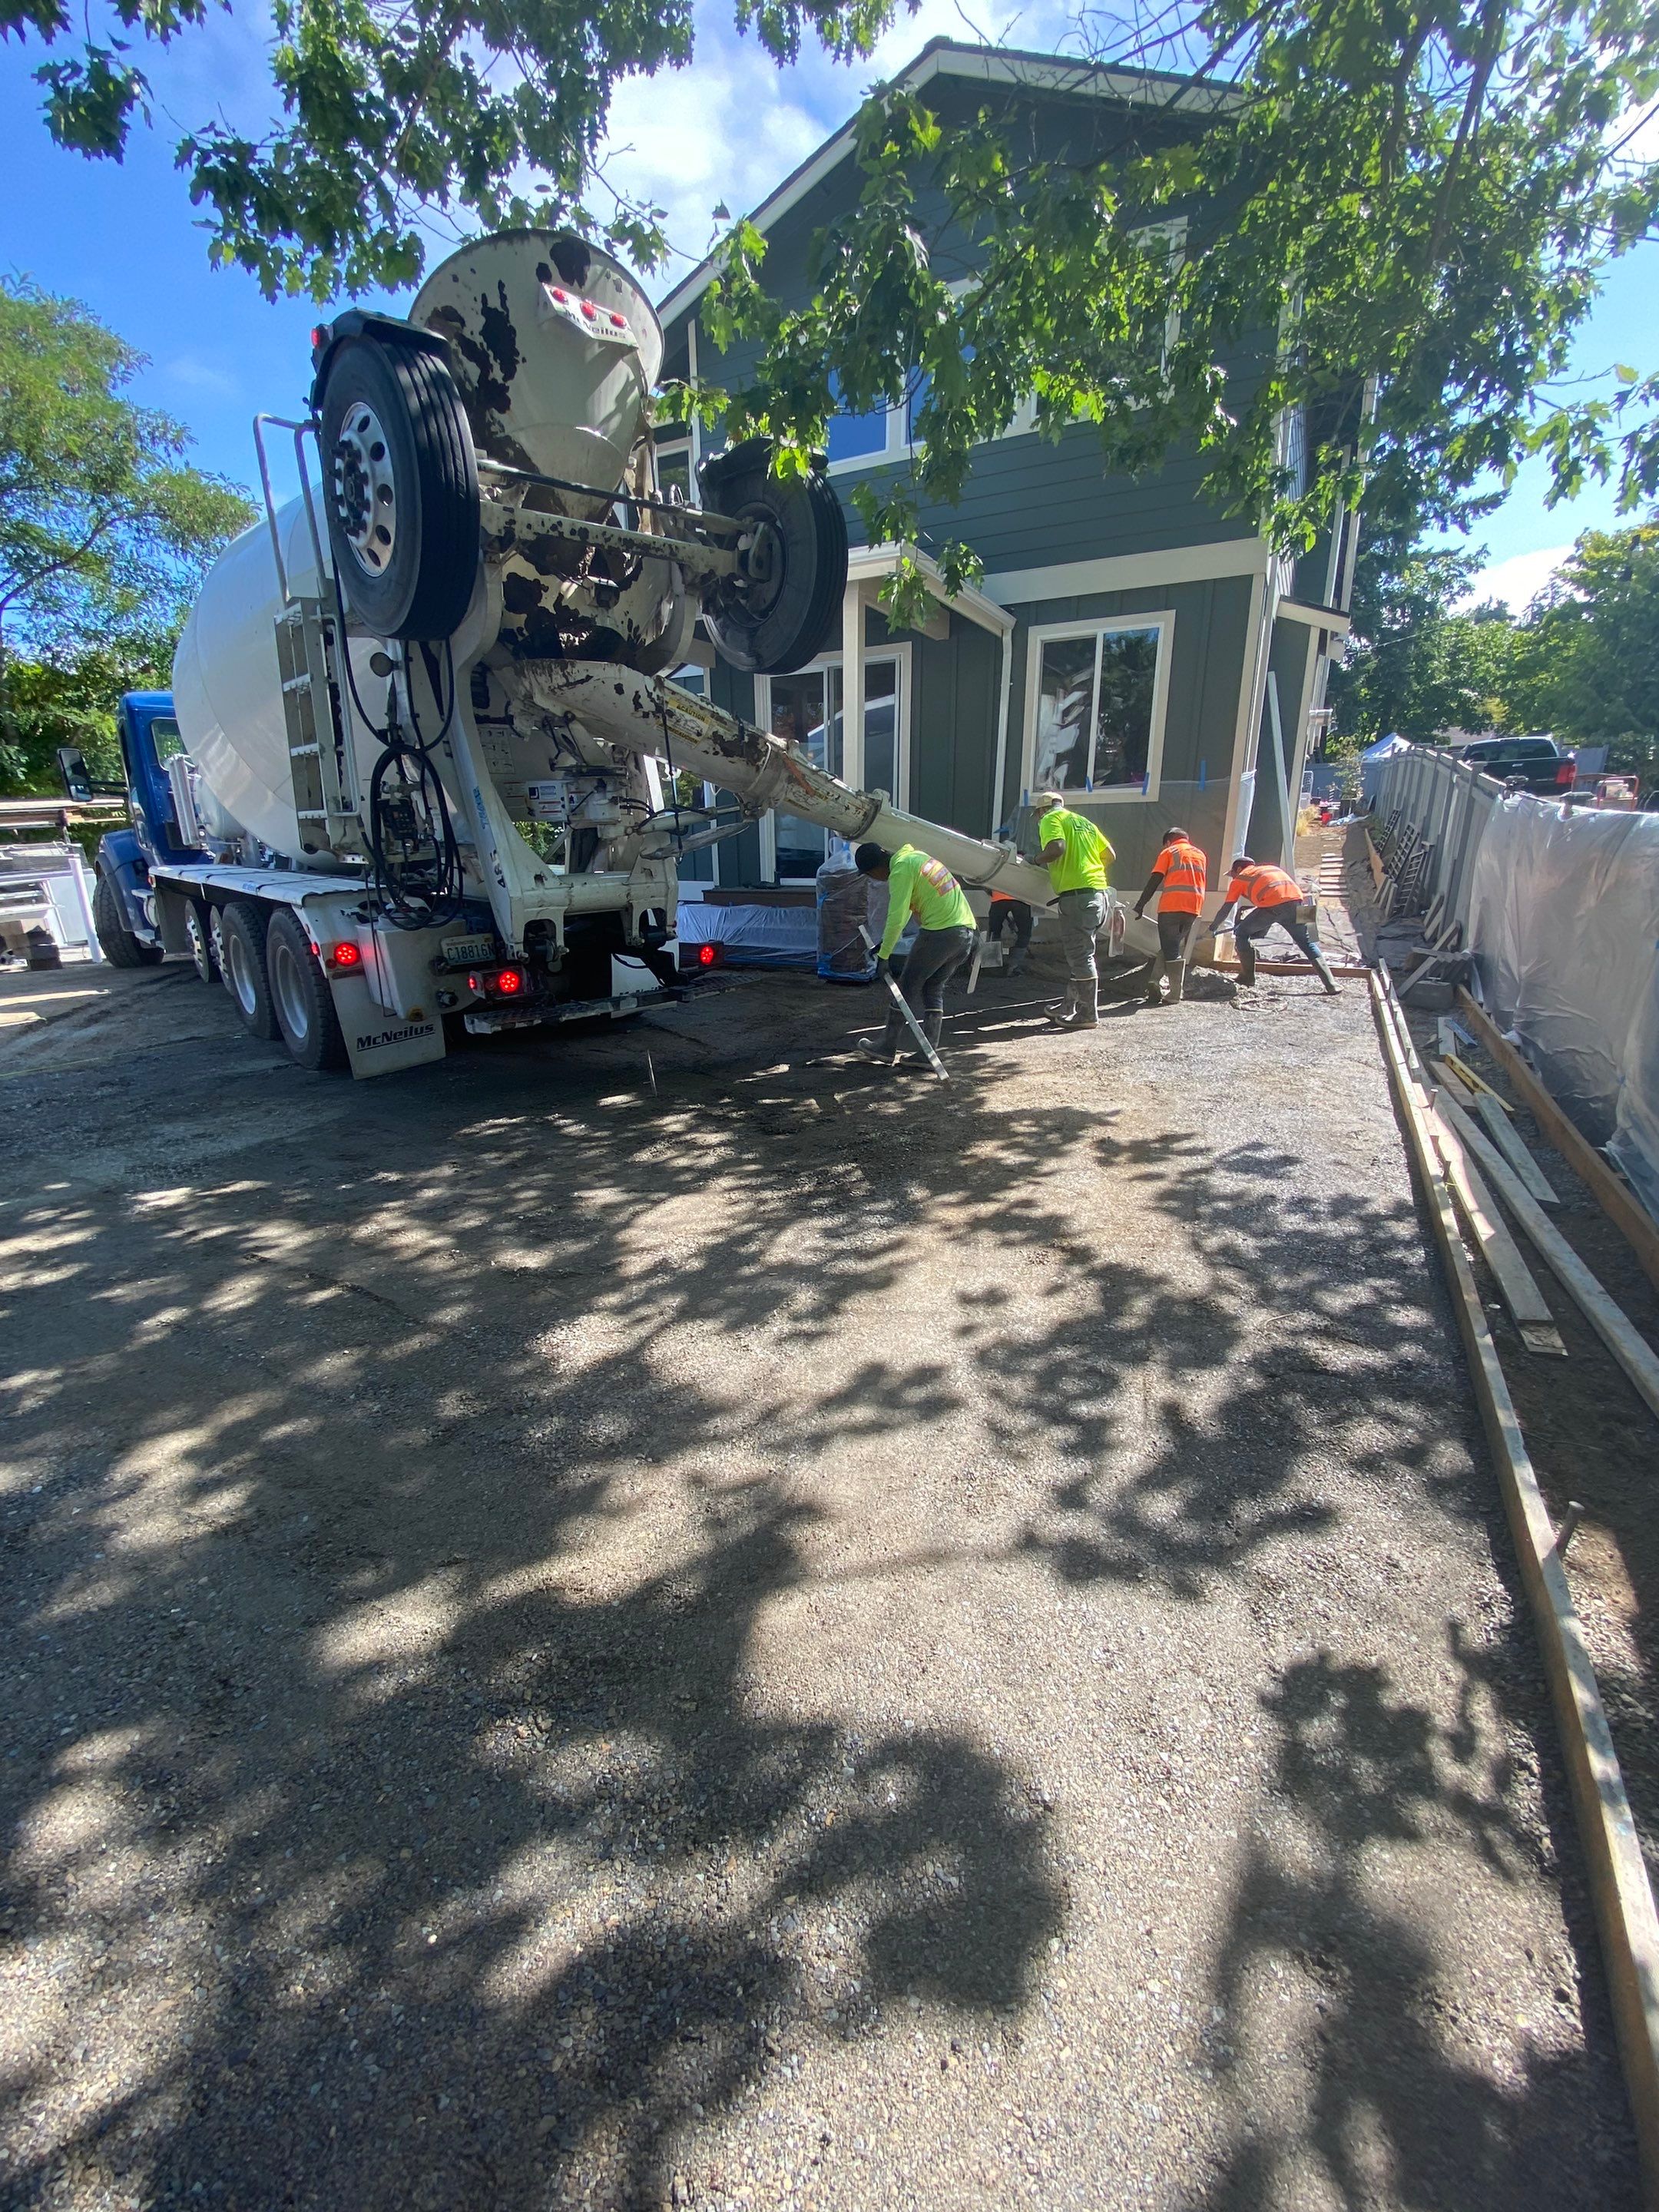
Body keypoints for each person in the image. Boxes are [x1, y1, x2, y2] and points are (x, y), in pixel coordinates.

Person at [853, 841, 977, 1065]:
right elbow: (918, 909)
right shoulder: (917, 859)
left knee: (907, 987)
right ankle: (927, 1055)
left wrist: (884, 957)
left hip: (941, 932)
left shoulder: (900, 869)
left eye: (871, 875)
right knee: (933, 988)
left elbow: (897, 917)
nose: (875, 879)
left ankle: (886, 1046)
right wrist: (885, 944)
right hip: (965, 934)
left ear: (878, 868)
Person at [1032, 790, 1115, 1028]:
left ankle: (1088, 1014)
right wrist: (1087, 870)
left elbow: (1057, 848)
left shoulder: (1051, 819)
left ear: (1041, 811)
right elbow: (1109, 855)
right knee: (1078, 952)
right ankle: (1070, 1005)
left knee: (1081, 955)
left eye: (1038, 816)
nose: (1039, 821)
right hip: (1098, 894)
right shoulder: (1083, 822)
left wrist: (1036, 859)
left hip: (1078, 897)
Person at [1210, 854, 1340, 994]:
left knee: (1241, 933)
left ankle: (1247, 977)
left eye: (1233, 874)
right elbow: (1276, 896)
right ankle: (1331, 985)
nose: (1233, 877)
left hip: (1272, 908)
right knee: (1307, 943)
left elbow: (1226, 908)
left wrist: (1213, 927)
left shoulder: (1241, 878)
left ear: (1239, 869)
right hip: (1299, 903)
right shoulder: (1272, 869)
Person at [1131, 825, 1207, 1006]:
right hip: (1193, 907)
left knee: (1171, 948)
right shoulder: (1200, 854)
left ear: (1168, 841)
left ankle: (1174, 993)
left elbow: (1155, 879)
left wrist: (1140, 905)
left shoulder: (1170, 852)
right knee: (1171, 946)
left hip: (1171, 907)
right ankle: (1154, 980)